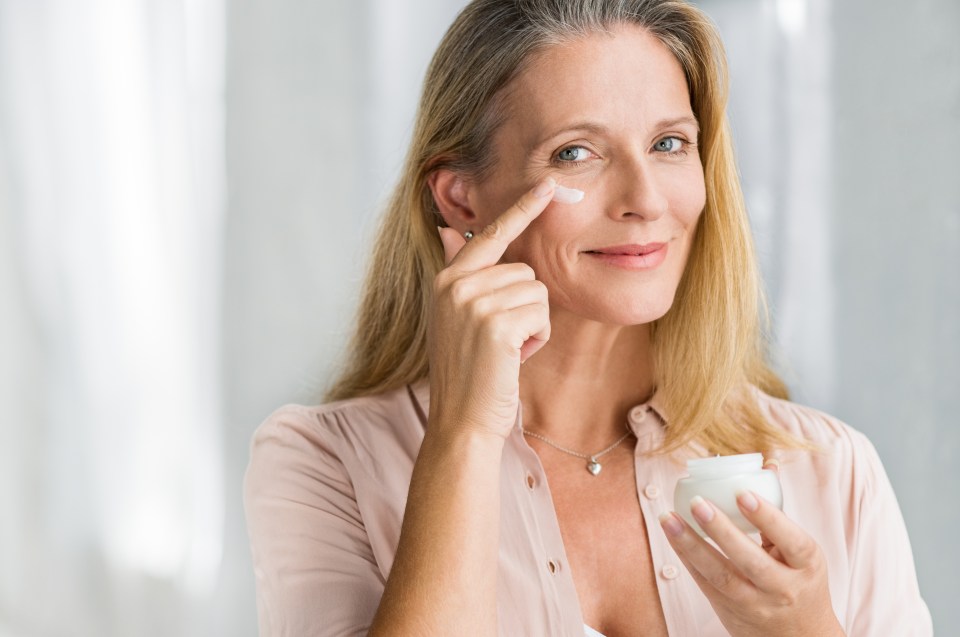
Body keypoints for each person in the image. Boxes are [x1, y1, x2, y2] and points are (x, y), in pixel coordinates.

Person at [243, 0, 932, 635]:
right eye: (577, 152)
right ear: (460, 199)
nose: (644, 199)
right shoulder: (326, 464)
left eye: (668, 144)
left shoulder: (832, 471)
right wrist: (464, 435)